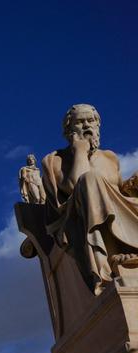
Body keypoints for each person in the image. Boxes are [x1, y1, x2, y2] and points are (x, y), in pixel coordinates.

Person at [42, 104, 138, 293]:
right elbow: (76, 186)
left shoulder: (110, 157)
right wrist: (80, 151)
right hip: (76, 218)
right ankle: (115, 254)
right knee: (90, 180)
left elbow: (118, 194)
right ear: (69, 130)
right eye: (80, 122)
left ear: (97, 125)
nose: (87, 125)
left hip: (115, 210)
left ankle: (129, 246)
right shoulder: (55, 160)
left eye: (91, 120)